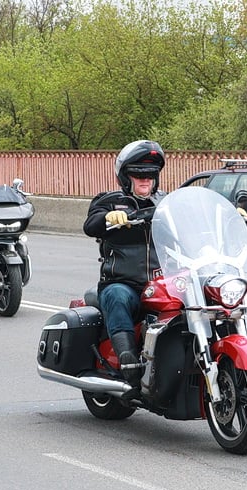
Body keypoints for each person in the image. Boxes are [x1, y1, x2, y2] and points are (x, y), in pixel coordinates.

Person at [83, 140, 167, 391]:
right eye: (138, 175)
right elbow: (91, 224)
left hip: (164, 283)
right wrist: (108, 217)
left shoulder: (167, 202)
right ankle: (128, 361)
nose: (145, 181)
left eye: (150, 176)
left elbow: (195, 218)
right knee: (117, 296)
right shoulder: (110, 201)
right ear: (125, 177)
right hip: (123, 282)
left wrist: (227, 213)